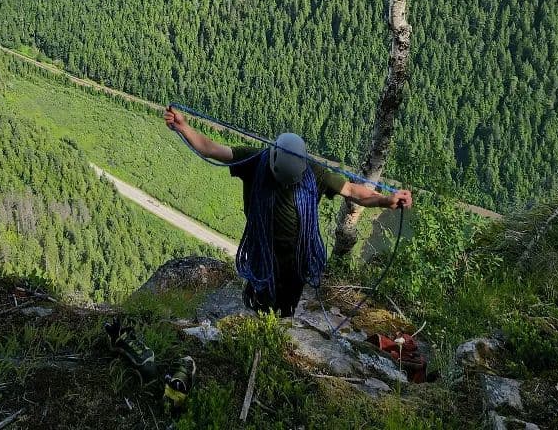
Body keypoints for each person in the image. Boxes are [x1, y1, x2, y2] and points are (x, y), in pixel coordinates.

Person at [164, 106, 412, 318]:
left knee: (286, 310)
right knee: (261, 306)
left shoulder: (314, 173)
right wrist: (183, 127)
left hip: (296, 262)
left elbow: (353, 190)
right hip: (264, 254)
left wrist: (386, 200)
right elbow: (212, 149)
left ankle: (277, 337)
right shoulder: (254, 160)